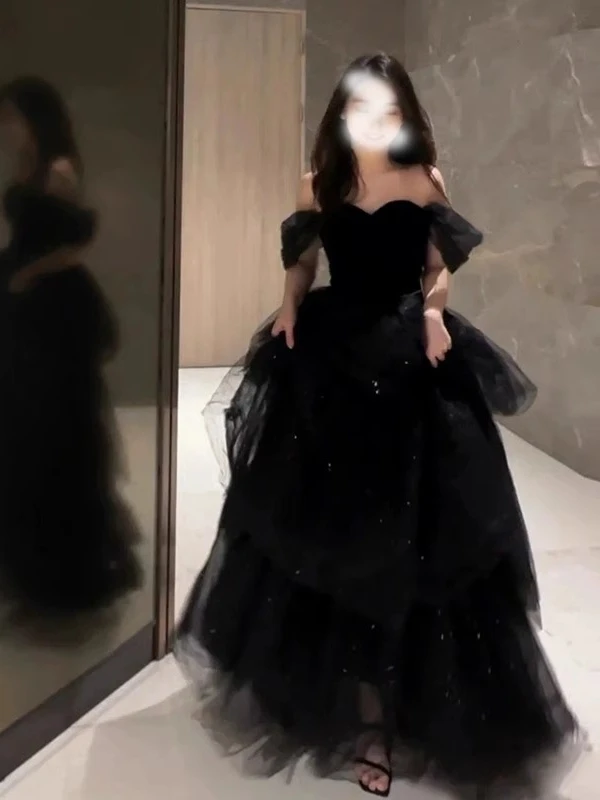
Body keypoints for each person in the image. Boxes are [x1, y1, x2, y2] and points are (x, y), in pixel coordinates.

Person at [177, 54, 581, 798]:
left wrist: (433, 312)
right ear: (342, 113)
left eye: (389, 108)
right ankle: (357, 711)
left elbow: (437, 267)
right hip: (331, 354)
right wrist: (290, 304)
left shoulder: (423, 178)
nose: (375, 120)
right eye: (361, 107)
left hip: (406, 354)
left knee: (426, 532)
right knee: (325, 527)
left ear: (403, 114)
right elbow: (303, 260)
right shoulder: (319, 183)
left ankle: (411, 706)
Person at [0, 76, 142, 614]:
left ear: (34, 117)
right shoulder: (27, 165)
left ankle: (61, 565)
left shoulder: (58, 168)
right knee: (22, 418)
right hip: (23, 296)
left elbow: (78, 241)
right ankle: (27, 556)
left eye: (13, 117)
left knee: (55, 419)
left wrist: (31, 272)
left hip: (54, 303)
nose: (8, 127)